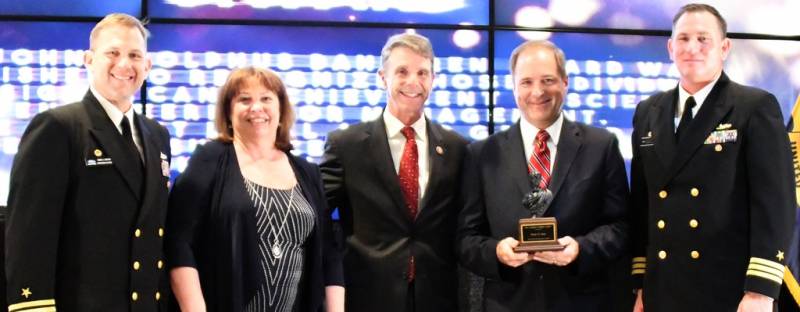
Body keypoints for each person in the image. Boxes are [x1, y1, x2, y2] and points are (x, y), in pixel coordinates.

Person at [630, 3, 796, 311]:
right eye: (683, 39)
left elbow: (776, 205)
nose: (692, 47)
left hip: (730, 292)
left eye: (703, 39)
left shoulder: (753, 107)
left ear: (724, 47)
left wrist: (761, 291)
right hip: (662, 289)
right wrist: (640, 283)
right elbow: (643, 207)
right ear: (670, 47)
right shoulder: (648, 113)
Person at [5, 13, 170, 311]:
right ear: (88, 59)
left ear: (147, 65)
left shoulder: (157, 136)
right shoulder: (58, 127)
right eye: (113, 53)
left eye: (134, 55)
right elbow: (29, 234)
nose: (124, 64)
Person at [457, 40, 629, 311]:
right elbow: (466, 238)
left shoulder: (602, 145)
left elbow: (620, 226)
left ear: (565, 82)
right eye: (526, 82)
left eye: (548, 80)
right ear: (513, 87)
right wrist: (496, 252)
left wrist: (581, 249)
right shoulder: (481, 154)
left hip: (581, 302)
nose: (537, 92)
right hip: (509, 303)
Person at [166, 67, 344, 312]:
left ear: (281, 110)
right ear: (228, 112)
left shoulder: (308, 172)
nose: (256, 107)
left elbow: (328, 254)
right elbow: (179, 242)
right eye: (244, 99)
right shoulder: (208, 161)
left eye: (266, 98)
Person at [319, 33, 468, 312]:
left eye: (422, 72)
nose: (413, 82)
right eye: (402, 71)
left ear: (433, 80)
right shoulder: (346, 146)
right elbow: (317, 217)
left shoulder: (457, 148)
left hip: (438, 298)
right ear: (382, 77)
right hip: (367, 296)